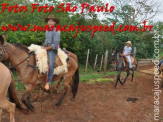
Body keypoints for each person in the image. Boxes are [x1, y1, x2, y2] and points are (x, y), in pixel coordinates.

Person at [42, 14, 60, 90]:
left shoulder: (56, 30)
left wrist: (47, 48)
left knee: (51, 64)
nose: (50, 22)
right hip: (46, 47)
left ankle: (48, 82)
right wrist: (43, 46)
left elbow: (55, 43)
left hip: (52, 49)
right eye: (49, 21)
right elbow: (46, 41)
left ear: (54, 23)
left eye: (52, 21)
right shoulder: (47, 30)